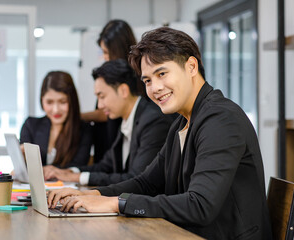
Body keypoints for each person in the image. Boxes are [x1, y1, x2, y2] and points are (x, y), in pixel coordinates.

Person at [46, 27, 273, 239]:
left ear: (191, 66)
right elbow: (146, 183)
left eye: (162, 73)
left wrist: (116, 203)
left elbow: (200, 205)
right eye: (147, 80)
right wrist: (95, 194)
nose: (155, 88)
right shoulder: (182, 122)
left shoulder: (220, 119)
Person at [46, 59, 173, 186]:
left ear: (123, 90)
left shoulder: (153, 121)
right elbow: (105, 165)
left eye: (102, 96)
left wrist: (77, 177)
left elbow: (137, 179)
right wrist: (69, 172)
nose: (100, 105)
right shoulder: (126, 120)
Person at [81, 19, 139, 163]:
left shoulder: (135, 76)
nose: (105, 58)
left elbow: (104, 113)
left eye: (107, 52)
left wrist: (80, 116)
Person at [20, 71, 92, 179]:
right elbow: (25, 167)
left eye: (63, 102)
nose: (56, 110)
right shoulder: (31, 125)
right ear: (42, 101)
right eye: (49, 102)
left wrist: (54, 171)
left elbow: (79, 166)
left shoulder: (84, 129)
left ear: (72, 101)